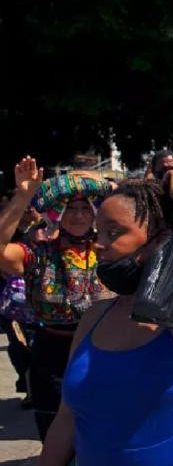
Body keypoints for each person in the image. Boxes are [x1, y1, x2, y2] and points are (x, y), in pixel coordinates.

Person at [38, 171, 173, 465]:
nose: (98, 244)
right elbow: (67, 419)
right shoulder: (95, 316)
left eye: (113, 232)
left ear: (159, 239)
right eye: (98, 233)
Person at [0, 159, 116, 440]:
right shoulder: (39, 254)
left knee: (102, 438)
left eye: (84, 209)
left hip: (103, 351)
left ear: (94, 215)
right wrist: (23, 195)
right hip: (52, 354)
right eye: (71, 209)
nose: (78, 216)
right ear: (59, 215)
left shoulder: (109, 253)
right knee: (55, 436)